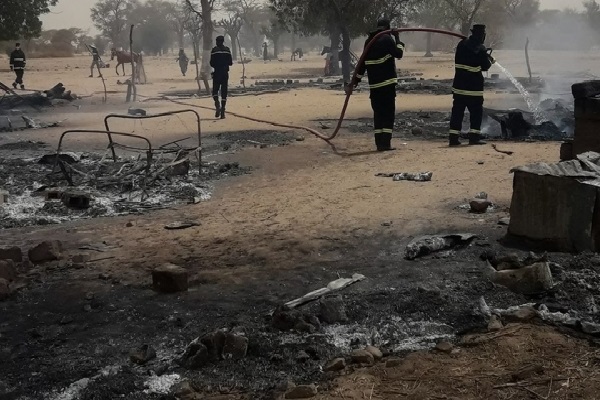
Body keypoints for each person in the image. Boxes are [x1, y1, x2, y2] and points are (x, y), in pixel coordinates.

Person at [351, 19, 405, 152]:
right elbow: (399, 54)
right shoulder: (387, 39)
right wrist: (398, 39)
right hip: (387, 85)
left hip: (374, 86)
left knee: (378, 114)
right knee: (388, 114)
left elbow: (362, 64)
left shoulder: (369, 41)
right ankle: (385, 144)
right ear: (387, 27)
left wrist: (355, 81)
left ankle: (379, 143)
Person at [448, 24, 495, 146]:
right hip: (474, 89)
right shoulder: (481, 49)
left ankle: (453, 138)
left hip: (459, 87)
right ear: (482, 35)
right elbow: (485, 66)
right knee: (476, 114)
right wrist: (488, 59)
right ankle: (474, 138)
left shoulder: (461, 44)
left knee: (457, 113)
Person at [210, 35, 233, 119]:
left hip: (217, 73)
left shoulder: (214, 50)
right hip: (225, 73)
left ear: (217, 41)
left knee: (215, 91)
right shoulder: (227, 50)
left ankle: (217, 105)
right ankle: (223, 110)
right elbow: (230, 62)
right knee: (224, 92)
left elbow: (211, 63)